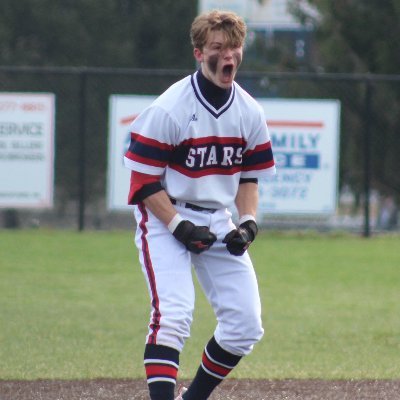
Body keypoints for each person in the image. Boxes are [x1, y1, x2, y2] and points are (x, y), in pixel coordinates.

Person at [124, 9, 276, 400]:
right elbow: (142, 181)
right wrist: (179, 227)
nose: (228, 55)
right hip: (164, 214)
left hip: (217, 217)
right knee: (173, 315)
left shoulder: (249, 112)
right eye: (217, 47)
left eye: (234, 47)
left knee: (245, 324)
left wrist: (247, 223)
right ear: (198, 53)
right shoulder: (170, 108)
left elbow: (248, 176)